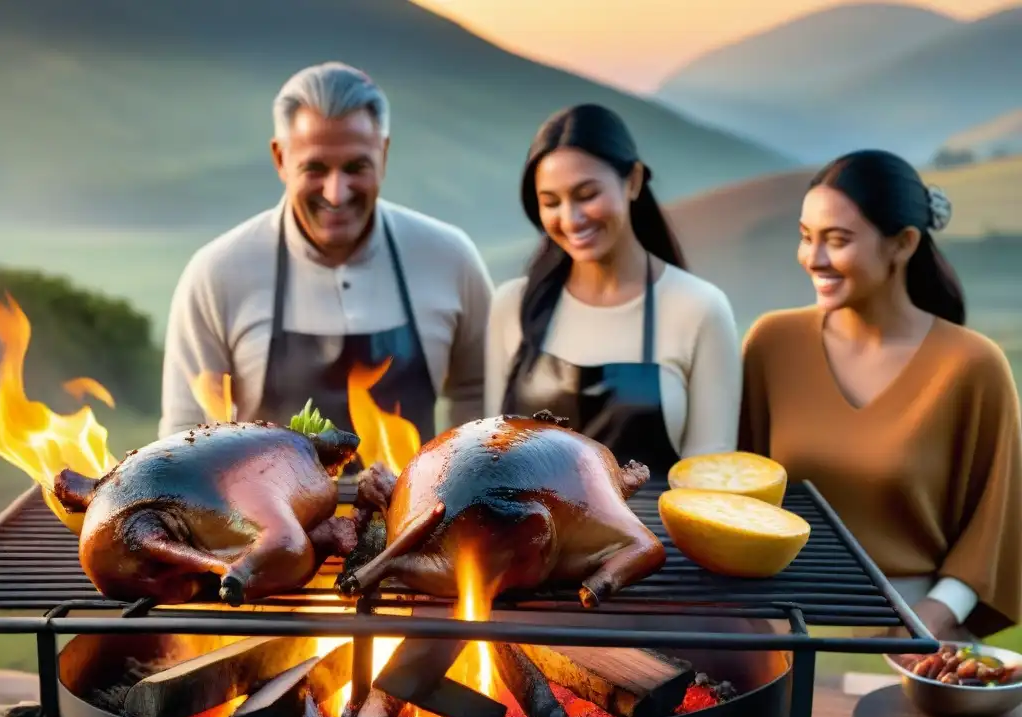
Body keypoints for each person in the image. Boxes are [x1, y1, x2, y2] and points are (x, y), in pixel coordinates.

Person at [740, 149, 1021, 640]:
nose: (814, 258)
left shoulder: (972, 366)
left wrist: (930, 619)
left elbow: (994, 526)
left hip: (913, 633)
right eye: (807, 237)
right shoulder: (771, 344)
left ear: (904, 243)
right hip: (782, 625)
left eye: (838, 240)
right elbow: (737, 493)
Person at [160, 62, 494, 446]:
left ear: (383, 154)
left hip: (417, 507)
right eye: (315, 168)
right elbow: (182, 436)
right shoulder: (217, 274)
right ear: (280, 159)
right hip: (266, 508)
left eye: (356, 167)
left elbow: (479, 393)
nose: (336, 193)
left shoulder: (449, 258)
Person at [486, 104, 741, 477]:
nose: (571, 219)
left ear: (633, 181)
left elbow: (710, 484)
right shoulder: (513, 306)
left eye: (587, 194)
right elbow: (489, 459)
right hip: (532, 535)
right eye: (551, 202)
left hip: (655, 535)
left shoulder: (700, 309)